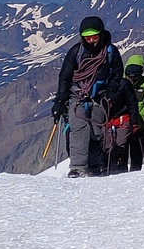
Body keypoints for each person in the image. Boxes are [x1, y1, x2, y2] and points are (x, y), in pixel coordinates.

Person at [51, 15, 126, 177]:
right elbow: (65, 78)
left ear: (100, 34)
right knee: (79, 129)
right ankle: (78, 168)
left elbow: (118, 74)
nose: (91, 41)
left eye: (94, 37)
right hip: (77, 98)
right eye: (87, 37)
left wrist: (110, 91)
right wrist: (59, 101)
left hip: (100, 99)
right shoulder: (76, 52)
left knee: (97, 133)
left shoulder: (110, 52)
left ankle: (94, 165)